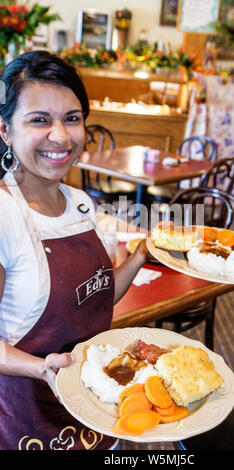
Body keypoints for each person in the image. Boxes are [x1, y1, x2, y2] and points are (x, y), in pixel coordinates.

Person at [0, 50, 148, 450]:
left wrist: (140, 256)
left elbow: (96, 298)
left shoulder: (80, 200)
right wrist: (41, 368)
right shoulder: (4, 214)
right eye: (39, 120)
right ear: (5, 130)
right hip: (26, 420)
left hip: (95, 408)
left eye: (72, 118)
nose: (61, 136)